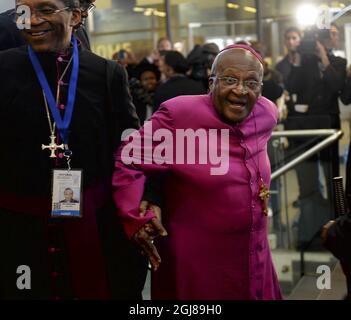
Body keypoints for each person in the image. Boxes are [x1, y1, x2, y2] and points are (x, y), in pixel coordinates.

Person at [0, 0, 158, 299]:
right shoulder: (2, 68)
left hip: (93, 228)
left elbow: (130, 152)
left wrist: (144, 201)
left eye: (45, 10)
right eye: (22, 12)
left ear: (75, 16)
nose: (31, 21)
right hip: (17, 230)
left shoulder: (108, 73)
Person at [112, 44, 282, 299]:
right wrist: (137, 215)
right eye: (229, 79)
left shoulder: (265, 113)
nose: (240, 90)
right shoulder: (179, 115)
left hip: (254, 256)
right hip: (198, 266)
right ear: (211, 82)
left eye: (251, 83)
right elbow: (128, 159)